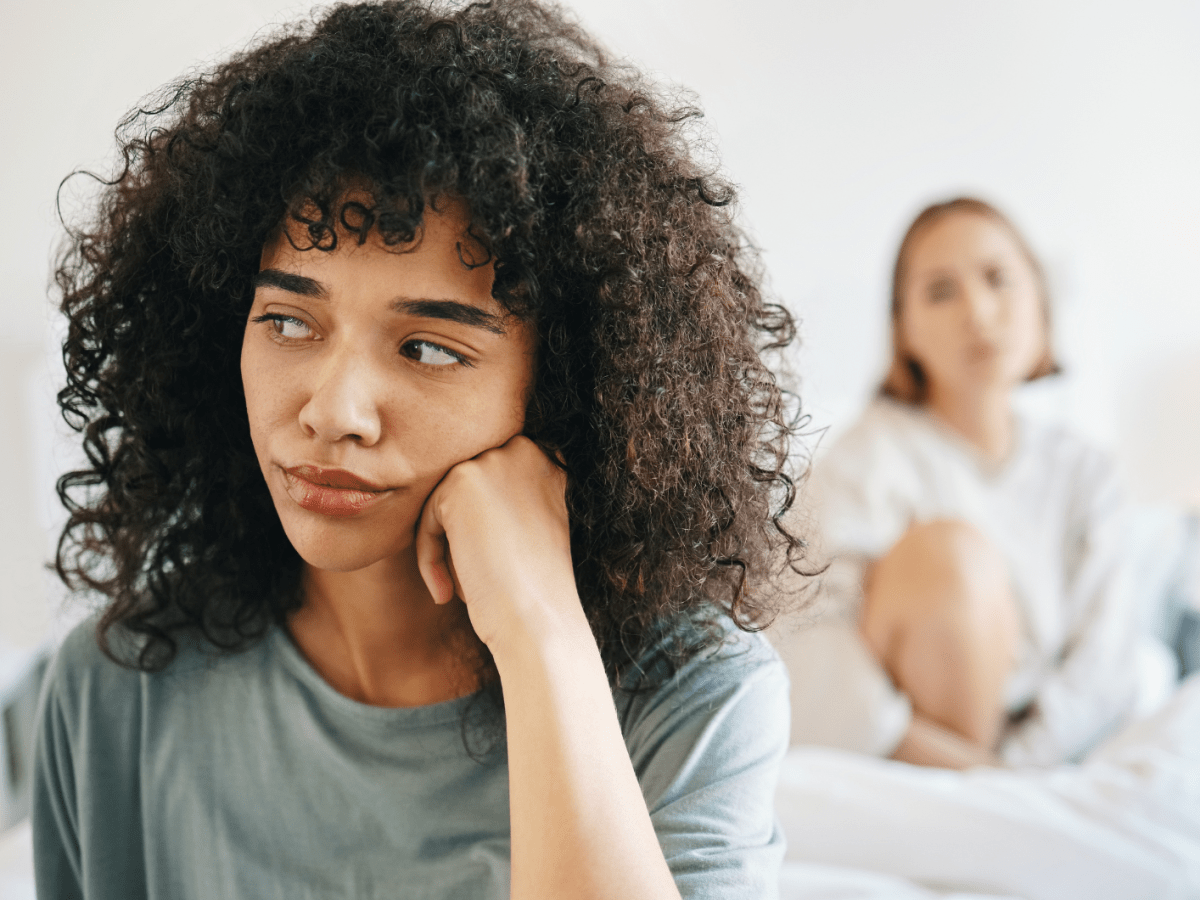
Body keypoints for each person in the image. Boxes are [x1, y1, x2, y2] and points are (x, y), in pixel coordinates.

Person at [32, 2, 805, 898]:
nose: (335, 412)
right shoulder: (117, 687)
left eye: (429, 347)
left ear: (564, 386)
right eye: (287, 321)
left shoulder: (692, 694)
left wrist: (543, 639)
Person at [776, 197, 1175, 771]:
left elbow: (1102, 662)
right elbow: (806, 643)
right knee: (952, 559)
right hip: (919, 743)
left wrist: (1018, 772)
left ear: (1040, 301)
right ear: (903, 329)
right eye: (941, 291)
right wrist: (961, 768)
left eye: (998, 279)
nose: (979, 313)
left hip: (1033, 753)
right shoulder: (866, 457)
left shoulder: (1087, 472)